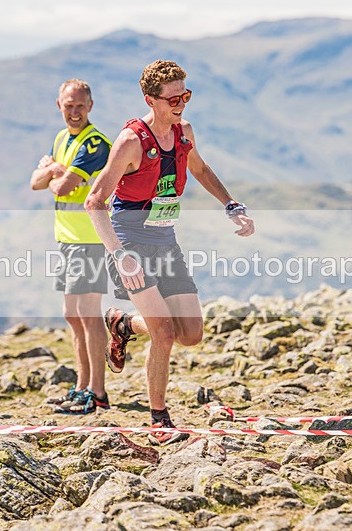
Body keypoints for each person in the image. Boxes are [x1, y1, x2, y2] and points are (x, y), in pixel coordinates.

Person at [85, 60, 255, 445]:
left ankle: (124, 324)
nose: (181, 104)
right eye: (173, 99)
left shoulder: (184, 133)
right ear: (151, 100)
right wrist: (118, 254)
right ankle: (158, 420)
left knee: (190, 334)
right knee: (163, 332)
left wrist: (231, 205)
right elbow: (94, 201)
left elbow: (200, 169)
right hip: (130, 241)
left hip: (165, 239)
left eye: (186, 95)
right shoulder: (131, 142)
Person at [30, 78, 112, 414]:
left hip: (89, 239)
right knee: (72, 315)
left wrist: (53, 173)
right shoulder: (62, 138)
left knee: (89, 315)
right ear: (59, 105)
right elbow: (36, 183)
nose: (75, 112)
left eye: (80, 106)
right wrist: (55, 171)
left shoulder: (95, 145)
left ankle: (97, 391)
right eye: (69, 105)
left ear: (90, 106)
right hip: (67, 238)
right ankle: (81, 386)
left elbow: (62, 188)